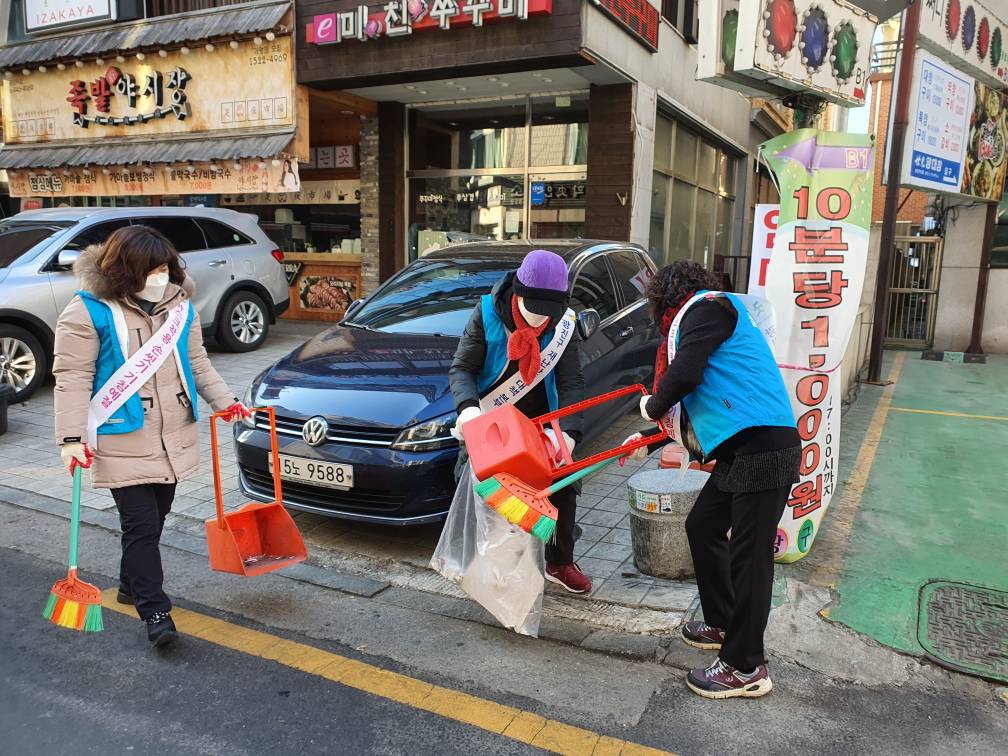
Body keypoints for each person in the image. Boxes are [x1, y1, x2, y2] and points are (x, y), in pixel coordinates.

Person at [52, 226, 250, 647]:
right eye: (151, 268)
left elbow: (196, 362)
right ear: (125, 271)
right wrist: (71, 438)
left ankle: (129, 584)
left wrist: (226, 401)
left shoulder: (180, 306)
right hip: (123, 434)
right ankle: (155, 611)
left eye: (166, 266)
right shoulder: (87, 311)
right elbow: (72, 377)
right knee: (141, 525)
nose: (161, 275)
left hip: (173, 431)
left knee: (155, 519)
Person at [623, 260, 799, 699]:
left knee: (750, 556)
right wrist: (648, 437)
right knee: (702, 524)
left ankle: (745, 667)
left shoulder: (709, 309)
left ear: (666, 297)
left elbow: (685, 376)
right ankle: (722, 622)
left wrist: (651, 405)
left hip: (765, 448)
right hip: (745, 448)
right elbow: (689, 406)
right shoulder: (703, 319)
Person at [449, 249, 591, 593]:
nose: (541, 321)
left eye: (549, 315)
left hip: (544, 422)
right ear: (518, 293)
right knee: (479, 489)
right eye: (534, 311)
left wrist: (567, 433)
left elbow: (572, 383)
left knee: (563, 488)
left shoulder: (564, 325)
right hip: (492, 420)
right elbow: (463, 368)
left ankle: (559, 561)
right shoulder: (486, 314)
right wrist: (469, 410)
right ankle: (479, 561)